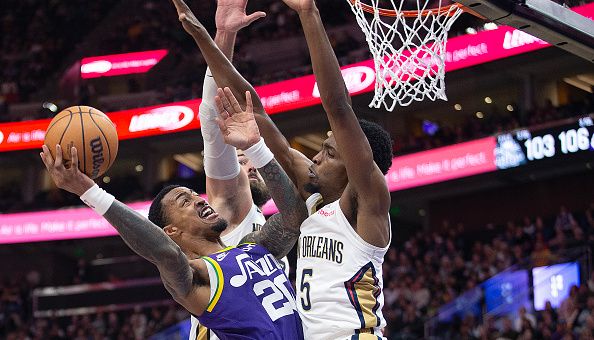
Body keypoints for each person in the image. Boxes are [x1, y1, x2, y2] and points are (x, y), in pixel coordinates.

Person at [170, 0, 393, 338]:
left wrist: (308, 13)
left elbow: (338, 108)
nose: (315, 157)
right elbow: (255, 110)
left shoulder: (364, 206)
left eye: (330, 153)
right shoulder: (313, 196)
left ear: (357, 164)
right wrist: (206, 39)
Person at [39, 88, 307, 339]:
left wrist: (255, 146)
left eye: (195, 195)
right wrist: (90, 192)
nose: (199, 201)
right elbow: (165, 253)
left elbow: (294, 216)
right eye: (184, 201)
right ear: (171, 231)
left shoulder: (253, 245)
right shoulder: (196, 278)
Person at [182, 0, 288, 338]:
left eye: (252, 157)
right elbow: (212, 127)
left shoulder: (275, 226)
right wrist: (222, 37)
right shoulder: (228, 209)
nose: (250, 164)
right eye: (239, 158)